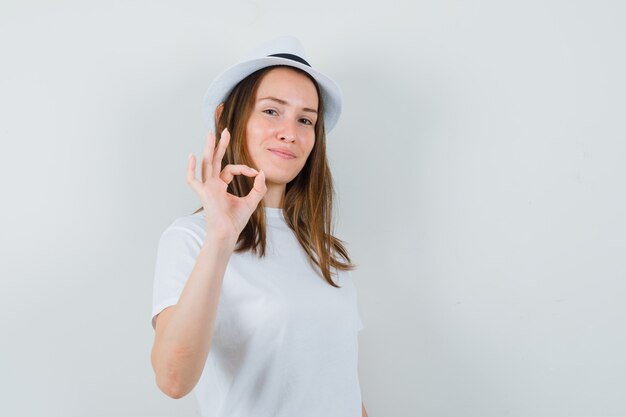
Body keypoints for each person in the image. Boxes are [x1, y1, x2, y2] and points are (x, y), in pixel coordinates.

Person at [150, 36, 368, 417]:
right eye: (271, 111)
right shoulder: (192, 239)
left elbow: (339, 386)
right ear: (229, 119)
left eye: (305, 120)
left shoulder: (325, 249)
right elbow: (173, 380)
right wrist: (221, 238)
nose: (290, 132)